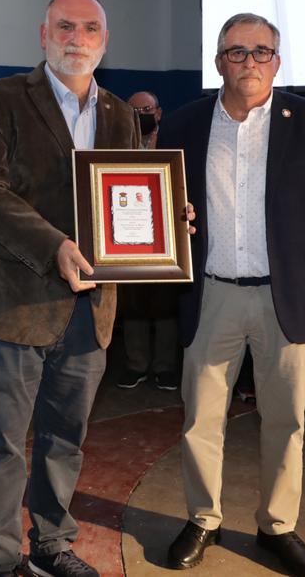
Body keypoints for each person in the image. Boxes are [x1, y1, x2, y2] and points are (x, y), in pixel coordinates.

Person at [159, 13, 305, 576]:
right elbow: (165, 207)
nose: (249, 62)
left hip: (288, 298)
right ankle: (203, 518)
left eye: (261, 51)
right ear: (219, 59)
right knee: (200, 419)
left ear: (277, 59)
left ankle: (278, 527)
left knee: (286, 420)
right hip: (212, 295)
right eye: (236, 52)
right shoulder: (184, 124)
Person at [0, 0, 143, 577]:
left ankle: (52, 543)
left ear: (104, 42)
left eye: (90, 28)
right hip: (9, 308)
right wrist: (52, 246)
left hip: (90, 313)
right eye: (65, 26)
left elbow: (131, 195)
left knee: (65, 440)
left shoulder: (121, 115)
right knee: (3, 447)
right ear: (42, 34)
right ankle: (1, 561)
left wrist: (165, 223)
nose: (76, 38)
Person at [116, 91, 180, 391]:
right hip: (128, 236)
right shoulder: (115, 144)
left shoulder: (175, 142)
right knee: (133, 303)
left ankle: (166, 367)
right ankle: (136, 364)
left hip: (166, 235)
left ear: (159, 112)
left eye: (146, 108)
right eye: (134, 109)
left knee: (166, 303)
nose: (141, 113)